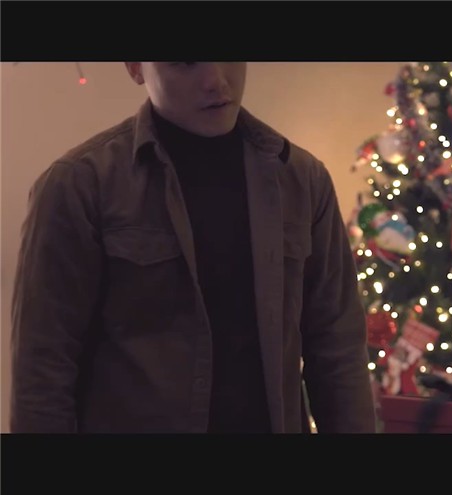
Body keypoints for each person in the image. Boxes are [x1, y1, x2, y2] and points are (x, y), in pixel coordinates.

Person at [10, 62, 376, 433]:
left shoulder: (303, 179)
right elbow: (42, 373)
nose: (216, 81)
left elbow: (338, 350)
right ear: (136, 67)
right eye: (185, 61)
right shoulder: (79, 185)